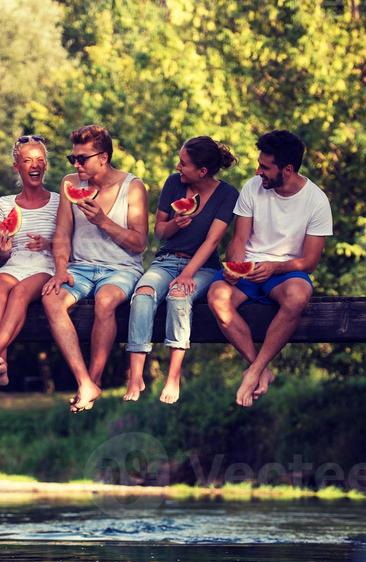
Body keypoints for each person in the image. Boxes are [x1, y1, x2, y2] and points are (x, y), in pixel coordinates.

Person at [207, 130, 333, 407]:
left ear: (287, 170)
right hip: (249, 269)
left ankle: (253, 371)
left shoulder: (317, 201)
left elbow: (309, 261)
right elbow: (239, 240)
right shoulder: (253, 187)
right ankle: (260, 369)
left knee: (299, 296)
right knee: (217, 298)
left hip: (286, 271)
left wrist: (275, 268)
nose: (257, 170)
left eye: (265, 167)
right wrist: (233, 268)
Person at [124, 137, 239, 404]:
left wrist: (187, 273)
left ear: (202, 171)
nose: (178, 166)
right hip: (165, 261)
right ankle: (136, 376)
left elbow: (212, 241)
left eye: (183, 163)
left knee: (178, 296)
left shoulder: (227, 194)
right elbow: (160, 232)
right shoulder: (173, 184)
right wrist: (176, 223)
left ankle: (173, 376)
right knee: (142, 294)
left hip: (204, 267)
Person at [41, 125, 148, 412]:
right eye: (72, 159)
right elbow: (62, 233)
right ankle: (84, 381)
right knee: (51, 300)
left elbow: (140, 244)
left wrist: (104, 221)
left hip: (122, 268)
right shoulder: (69, 183)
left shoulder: (132, 187)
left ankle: (95, 380)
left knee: (105, 300)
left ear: (103, 157)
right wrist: (60, 269)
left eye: (82, 158)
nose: (76, 165)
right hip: (80, 268)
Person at [0, 136, 59, 386]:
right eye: (27, 160)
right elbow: (1, 256)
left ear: (46, 166)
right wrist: (4, 250)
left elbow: (70, 246)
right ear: (16, 166)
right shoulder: (4, 205)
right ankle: (1, 366)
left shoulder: (60, 201)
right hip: (15, 263)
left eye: (40, 160)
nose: (35, 165)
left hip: (46, 266)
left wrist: (49, 244)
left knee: (19, 292)